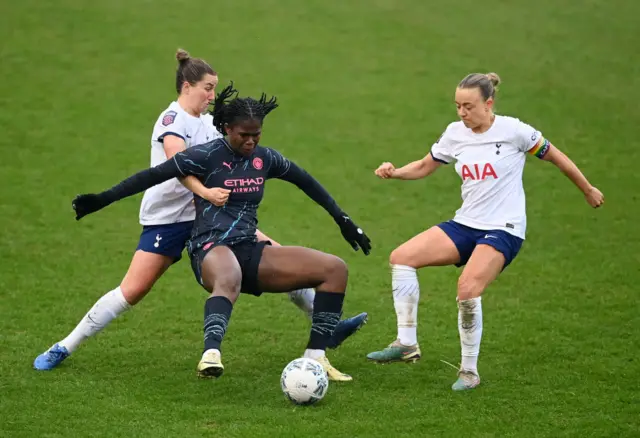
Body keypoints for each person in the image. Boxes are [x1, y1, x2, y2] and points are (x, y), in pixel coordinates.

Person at [33, 50, 367, 372]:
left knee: (274, 253)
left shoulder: (211, 124)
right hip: (170, 218)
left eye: (214, 88)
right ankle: (65, 345)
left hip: (211, 216)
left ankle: (327, 329)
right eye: (208, 87)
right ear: (187, 86)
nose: (212, 94)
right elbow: (176, 164)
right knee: (132, 290)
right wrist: (205, 191)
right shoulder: (173, 120)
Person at [366, 72, 604, 391]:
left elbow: (557, 158)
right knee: (402, 258)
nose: (462, 113)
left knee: (467, 288)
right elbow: (425, 166)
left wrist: (587, 189)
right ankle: (407, 344)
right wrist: (395, 173)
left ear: (488, 103)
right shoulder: (455, 134)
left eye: (468, 106)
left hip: (504, 229)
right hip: (467, 223)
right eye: (457, 106)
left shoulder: (515, 131)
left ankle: (469, 371)